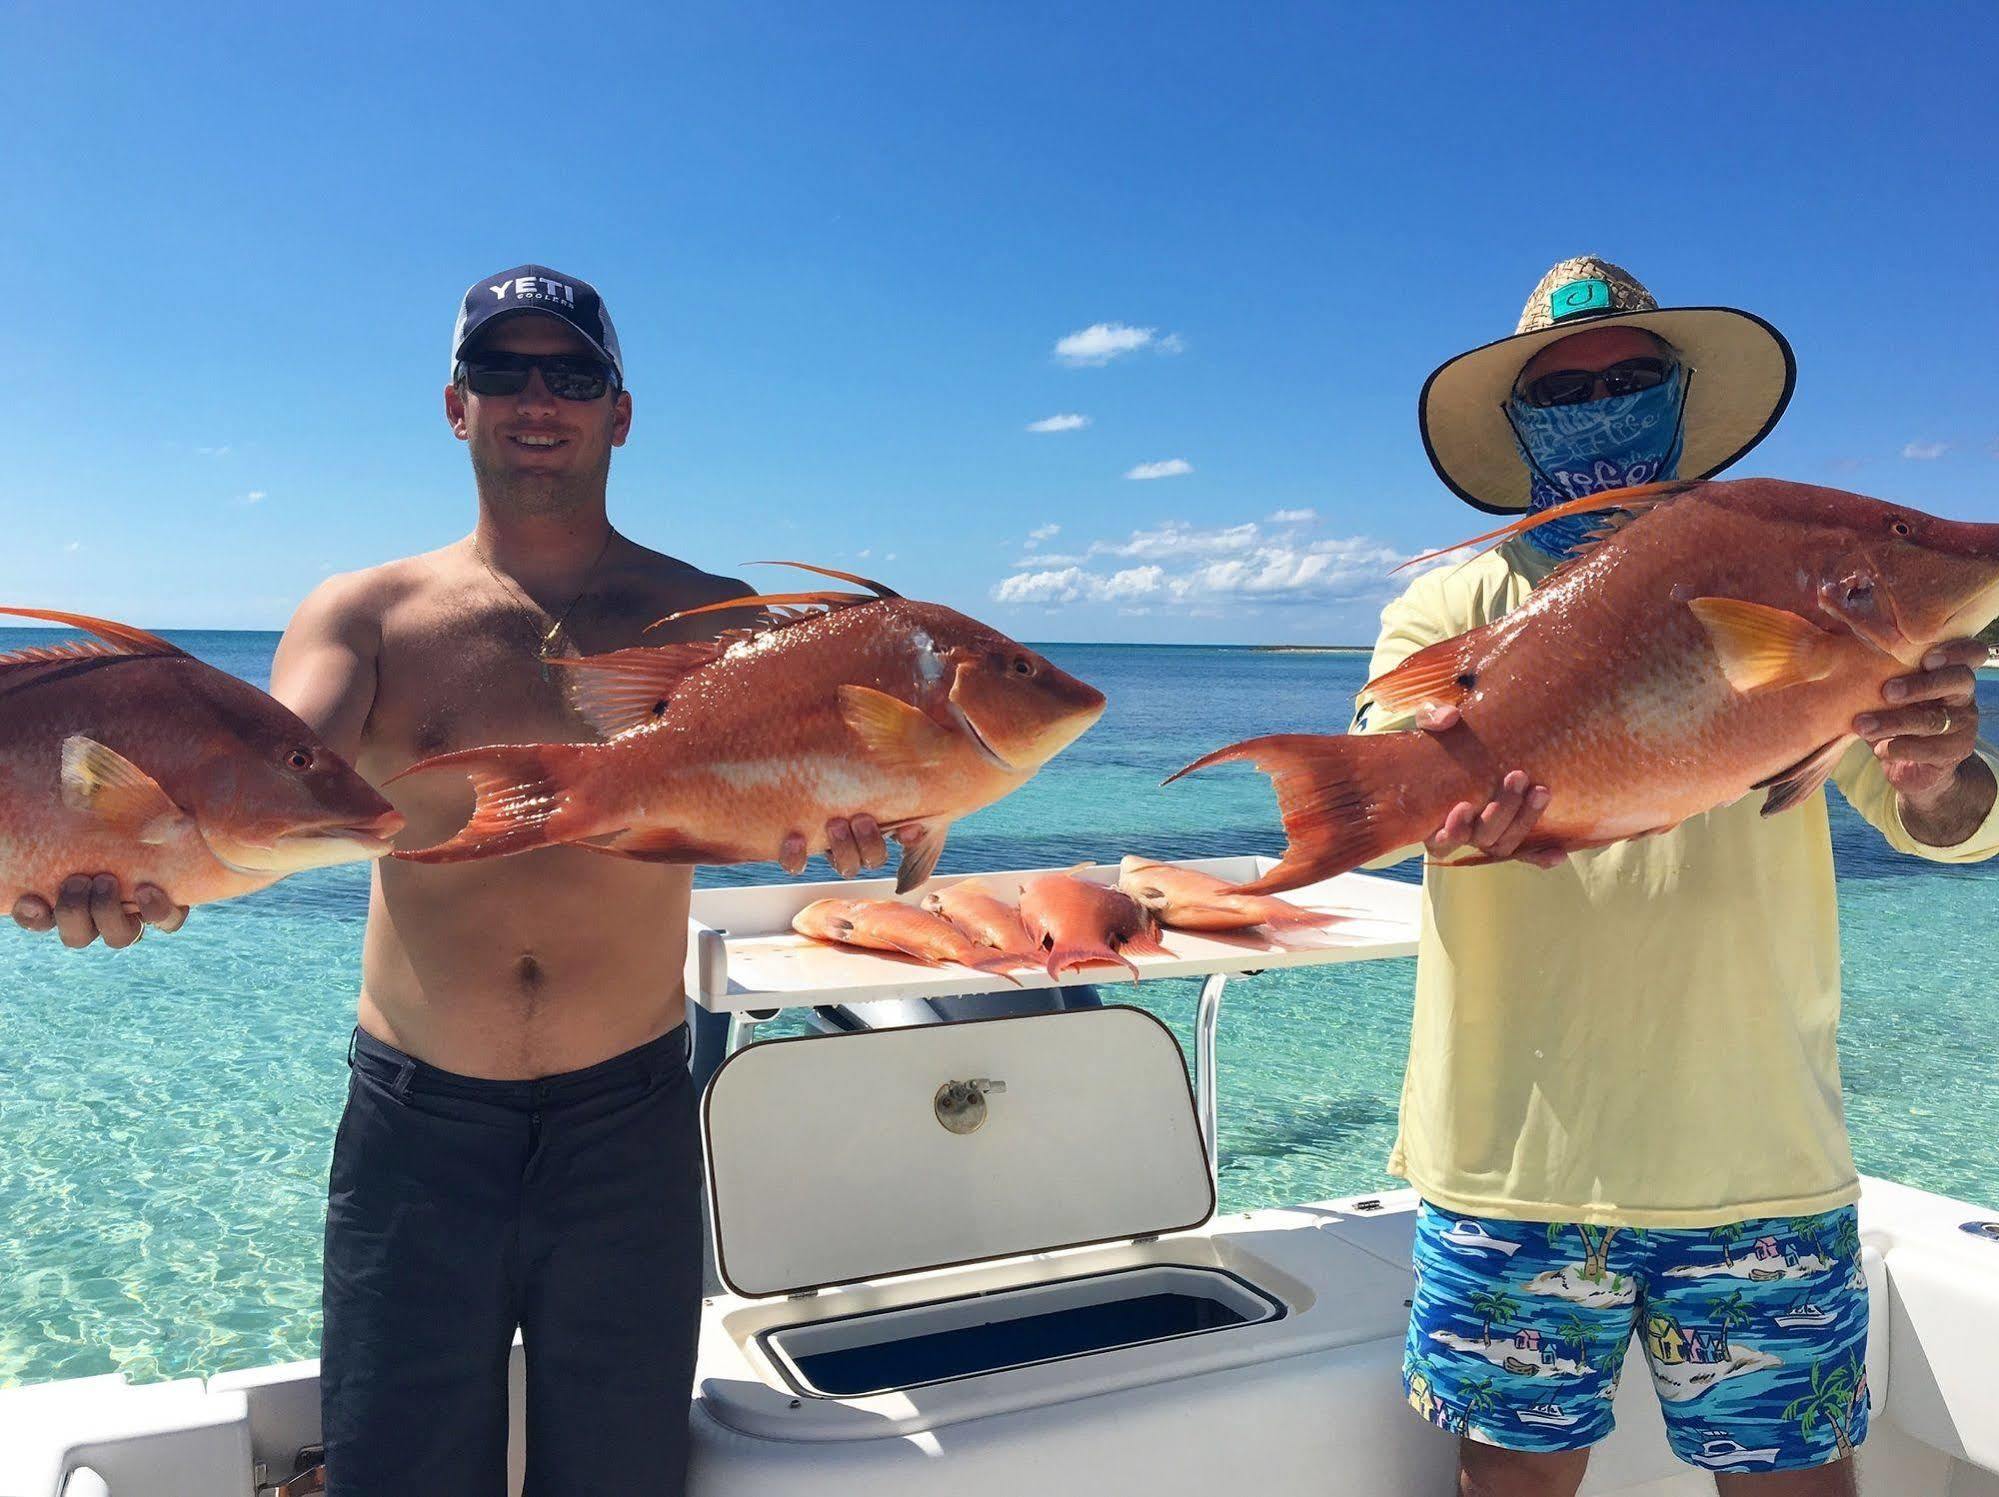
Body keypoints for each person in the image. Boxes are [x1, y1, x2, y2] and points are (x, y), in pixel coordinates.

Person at [10, 264, 895, 1495]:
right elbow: (271, 787)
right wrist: (120, 862)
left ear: (618, 412)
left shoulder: (710, 617)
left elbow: (773, 788)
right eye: (502, 370)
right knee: (398, 1472)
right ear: (454, 404)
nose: (538, 399)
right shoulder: (365, 613)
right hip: (421, 1128)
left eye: (571, 374)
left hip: (625, 1122)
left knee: (622, 1473)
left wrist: (848, 820)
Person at [1358, 256, 1999, 1496]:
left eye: (1631, 373)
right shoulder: (1451, 602)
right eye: (1566, 387)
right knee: (1511, 1487)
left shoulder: (1798, 571)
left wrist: (1940, 772)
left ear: (1679, 394)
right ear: (1520, 420)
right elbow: (1383, 799)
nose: (1601, 396)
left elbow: (1960, 831)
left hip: (1756, 1153)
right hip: (1514, 1161)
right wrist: (1438, 826)